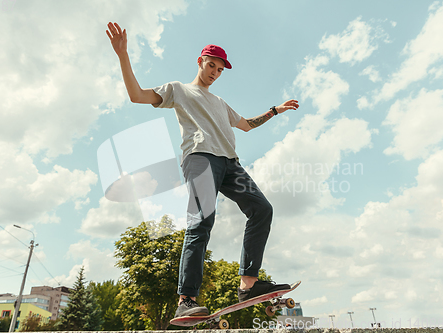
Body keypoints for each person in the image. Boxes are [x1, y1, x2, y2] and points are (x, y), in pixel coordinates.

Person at [106, 22, 299, 318]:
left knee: (262, 209)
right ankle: (186, 299)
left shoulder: (220, 102)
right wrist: (123, 56)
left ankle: (248, 283)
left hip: (230, 164)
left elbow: (246, 125)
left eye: (220, 70)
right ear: (200, 61)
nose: (214, 73)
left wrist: (276, 110)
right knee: (202, 220)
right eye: (211, 66)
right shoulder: (178, 90)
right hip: (199, 160)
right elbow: (137, 95)